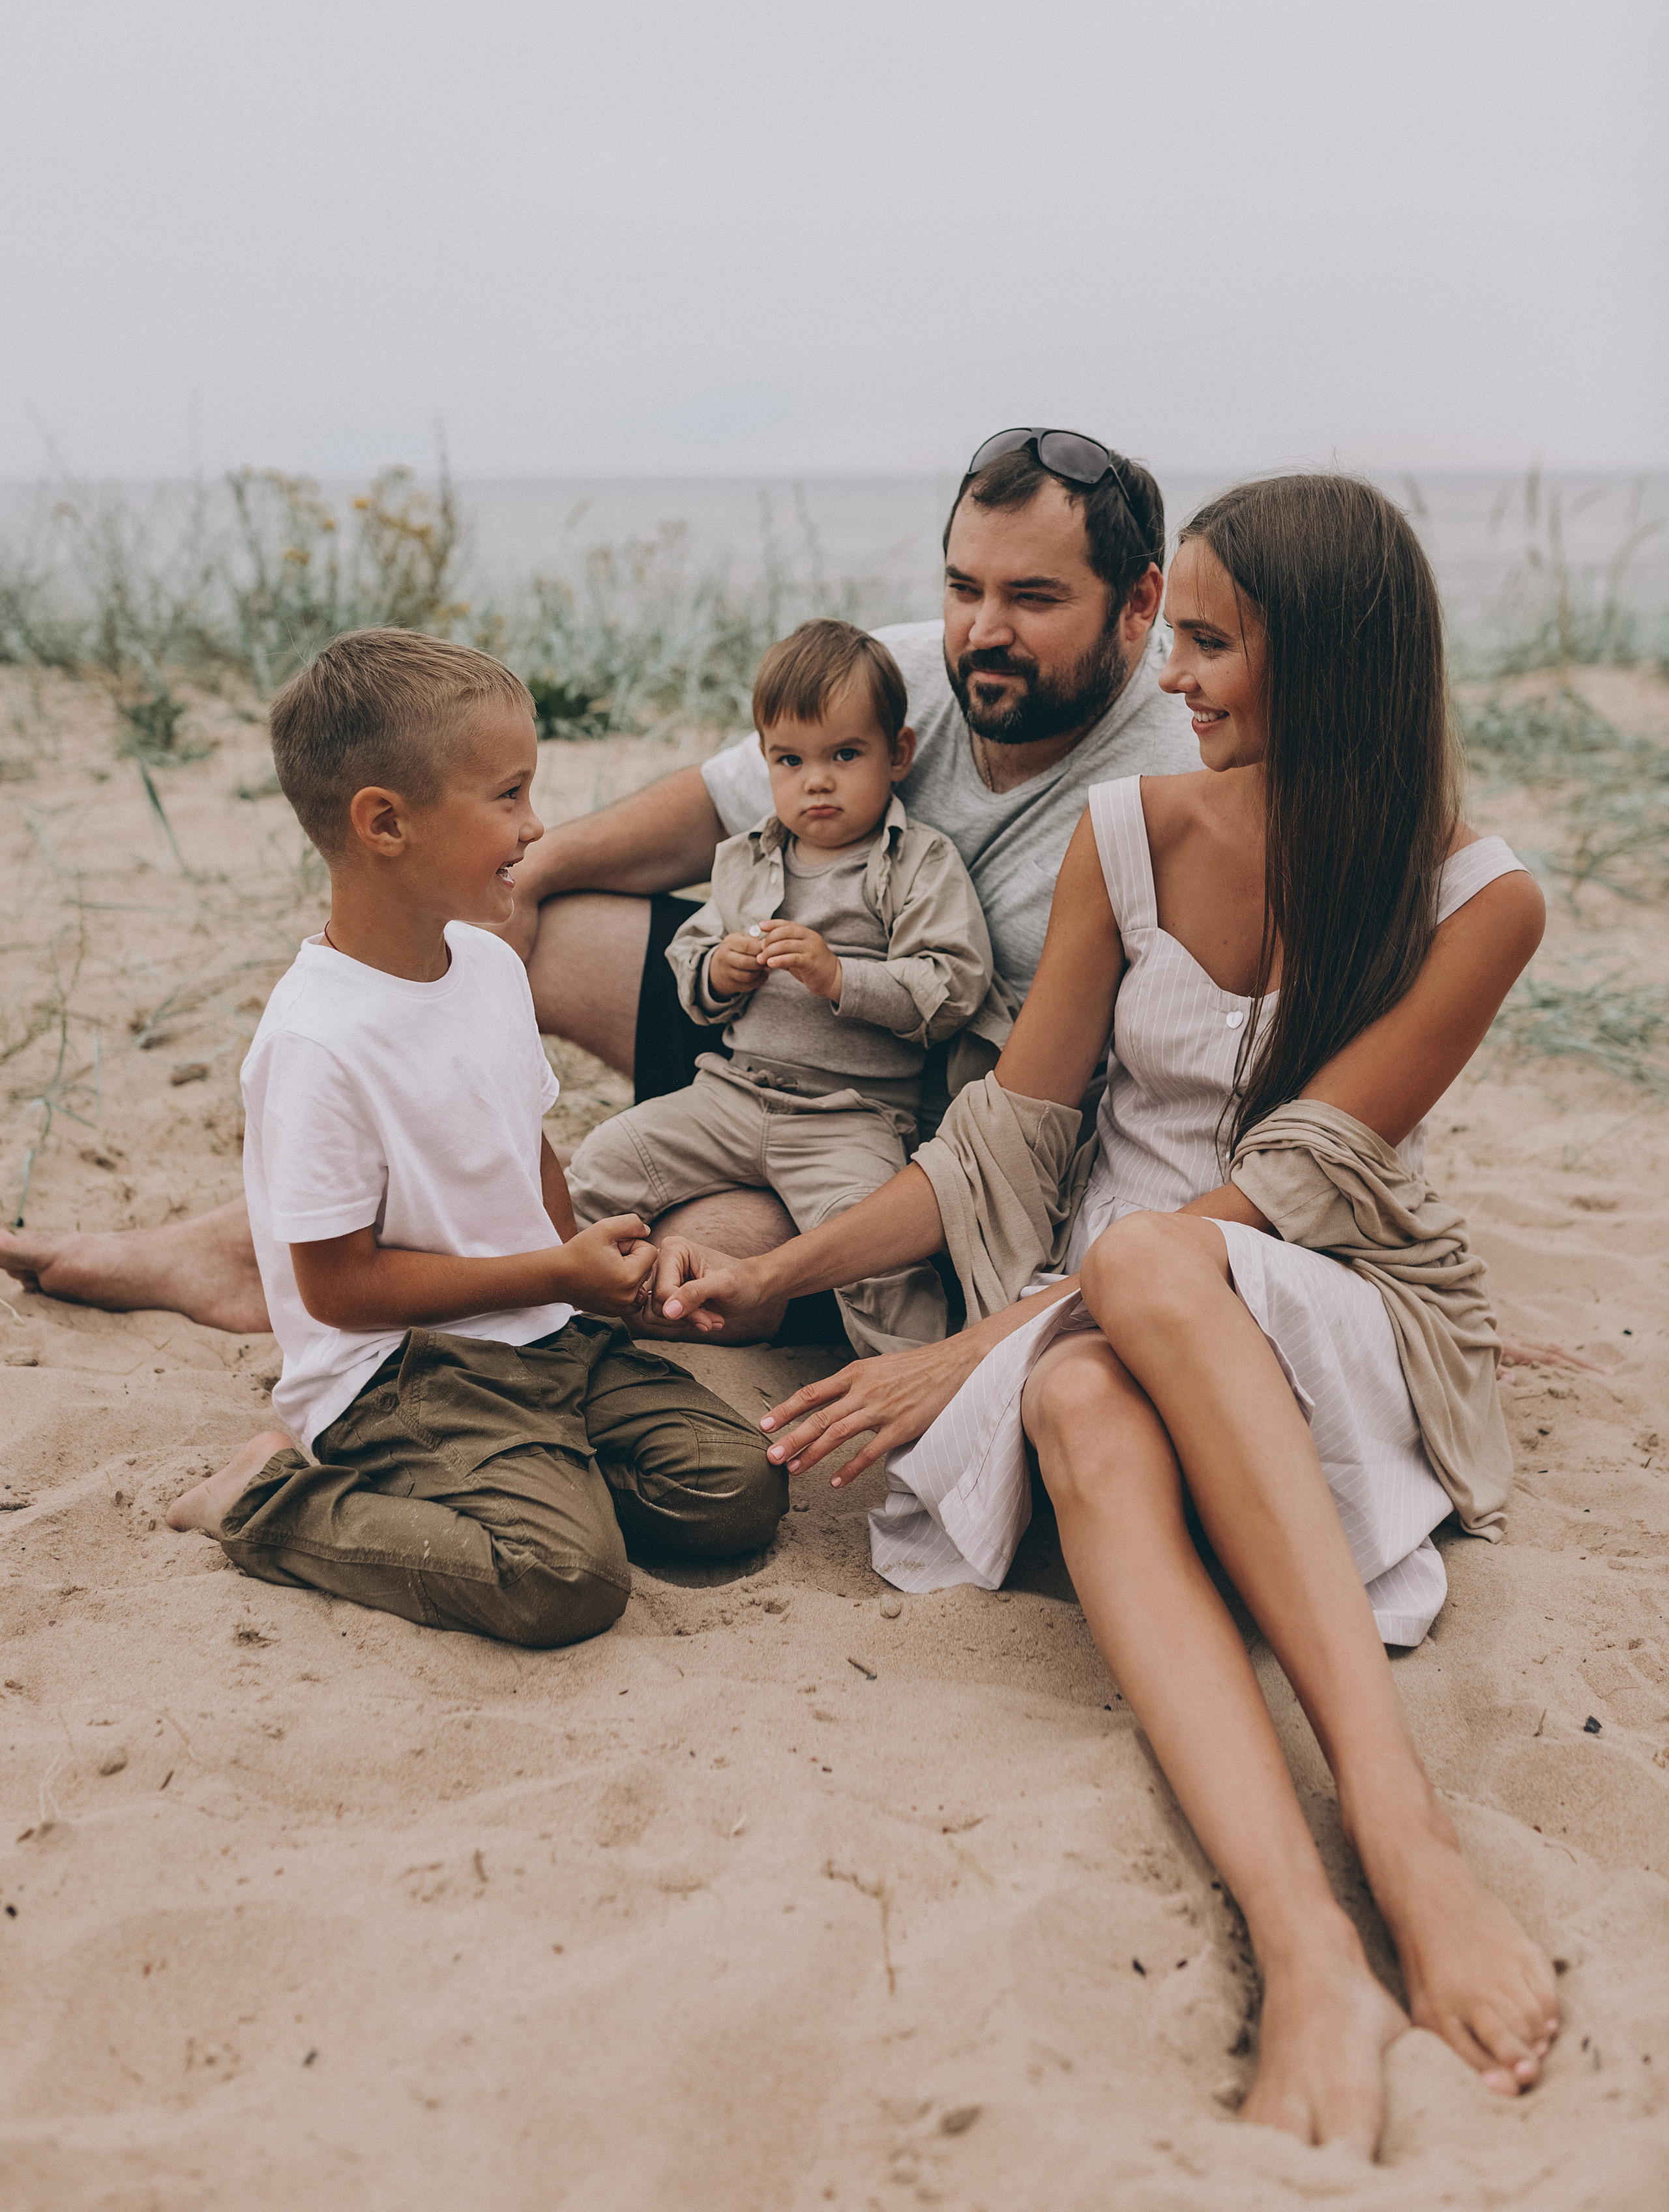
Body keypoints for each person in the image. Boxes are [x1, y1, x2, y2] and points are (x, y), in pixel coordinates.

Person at [651, 475, 1559, 2151]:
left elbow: (1290, 1185)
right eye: (1179, 634)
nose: (1178, 676)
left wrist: (974, 1343)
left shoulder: (1477, 897)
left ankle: (1404, 1834)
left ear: (1335, 663)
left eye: (1209, 641)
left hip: (1327, 1311)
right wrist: (784, 1273)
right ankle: (1303, 1947)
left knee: (1143, 1263)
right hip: (1104, 1327)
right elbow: (1003, 1134)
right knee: (1085, 1388)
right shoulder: (1125, 836)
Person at [0, 426, 1192, 1333]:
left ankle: (373, 1264)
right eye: (964, 586)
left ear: (1140, 605)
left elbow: (1065, 1109)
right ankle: (266, 1240)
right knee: (548, 921)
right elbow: (714, 806)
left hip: (908, 1143)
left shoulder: (1168, 788)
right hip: (756, 1048)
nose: (981, 629)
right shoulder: (903, 673)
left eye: (1033, 599)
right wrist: (534, 867)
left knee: (699, 1265)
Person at [166, 630, 784, 1644]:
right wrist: (553, 1275)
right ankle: (262, 1500)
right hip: (399, 1371)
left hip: (545, 1331)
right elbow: (338, 1290)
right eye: (508, 796)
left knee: (739, 1487)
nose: (536, 827)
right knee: (565, 1581)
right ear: (384, 823)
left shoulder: (488, 967)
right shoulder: (319, 1041)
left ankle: (519, 1476)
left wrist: (598, 1273)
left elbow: (527, 1150)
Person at [567, 617, 997, 1355]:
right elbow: (691, 956)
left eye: (845, 754)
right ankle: (550, 1321)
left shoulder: (917, 863)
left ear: (897, 755)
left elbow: (951, 987)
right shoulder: (747, 859)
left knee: (875, 1257)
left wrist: (840, 977)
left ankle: (918, 1403)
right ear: (765, 763)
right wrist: (718, 972)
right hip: (729, 1096)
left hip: (850, 1117)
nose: (817, 780)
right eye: (790, 760)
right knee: (601, 1167)